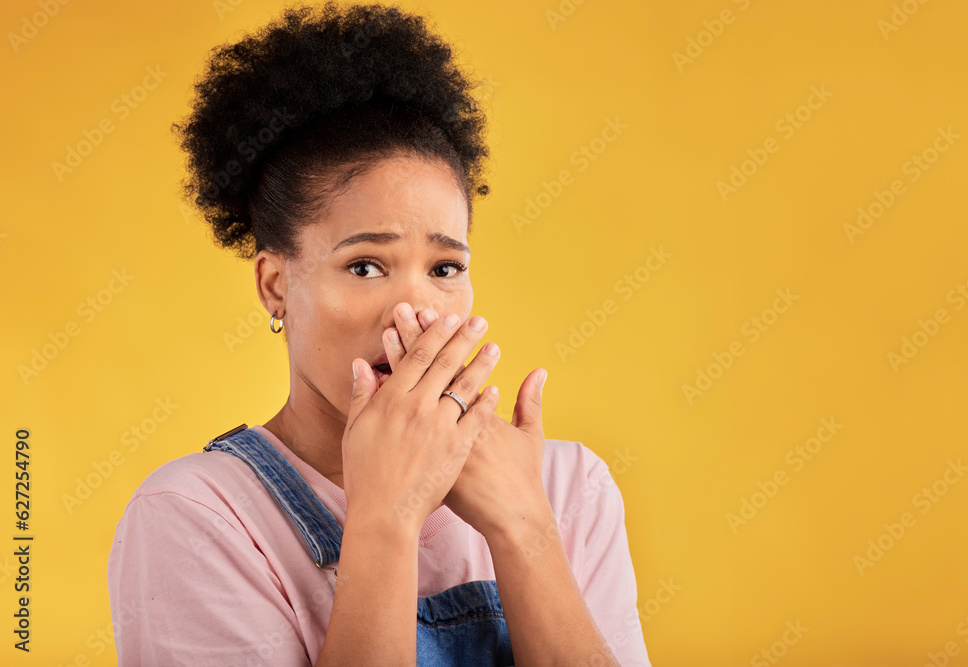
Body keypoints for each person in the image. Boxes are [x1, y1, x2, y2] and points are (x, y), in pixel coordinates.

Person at [106, 2, 651, 665]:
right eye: (365, 265)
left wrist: (524, 527)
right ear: (276, 283)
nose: (415, 311)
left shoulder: (569, 486)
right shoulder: (198, 515)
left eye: (445, 267)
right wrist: (386, 517)